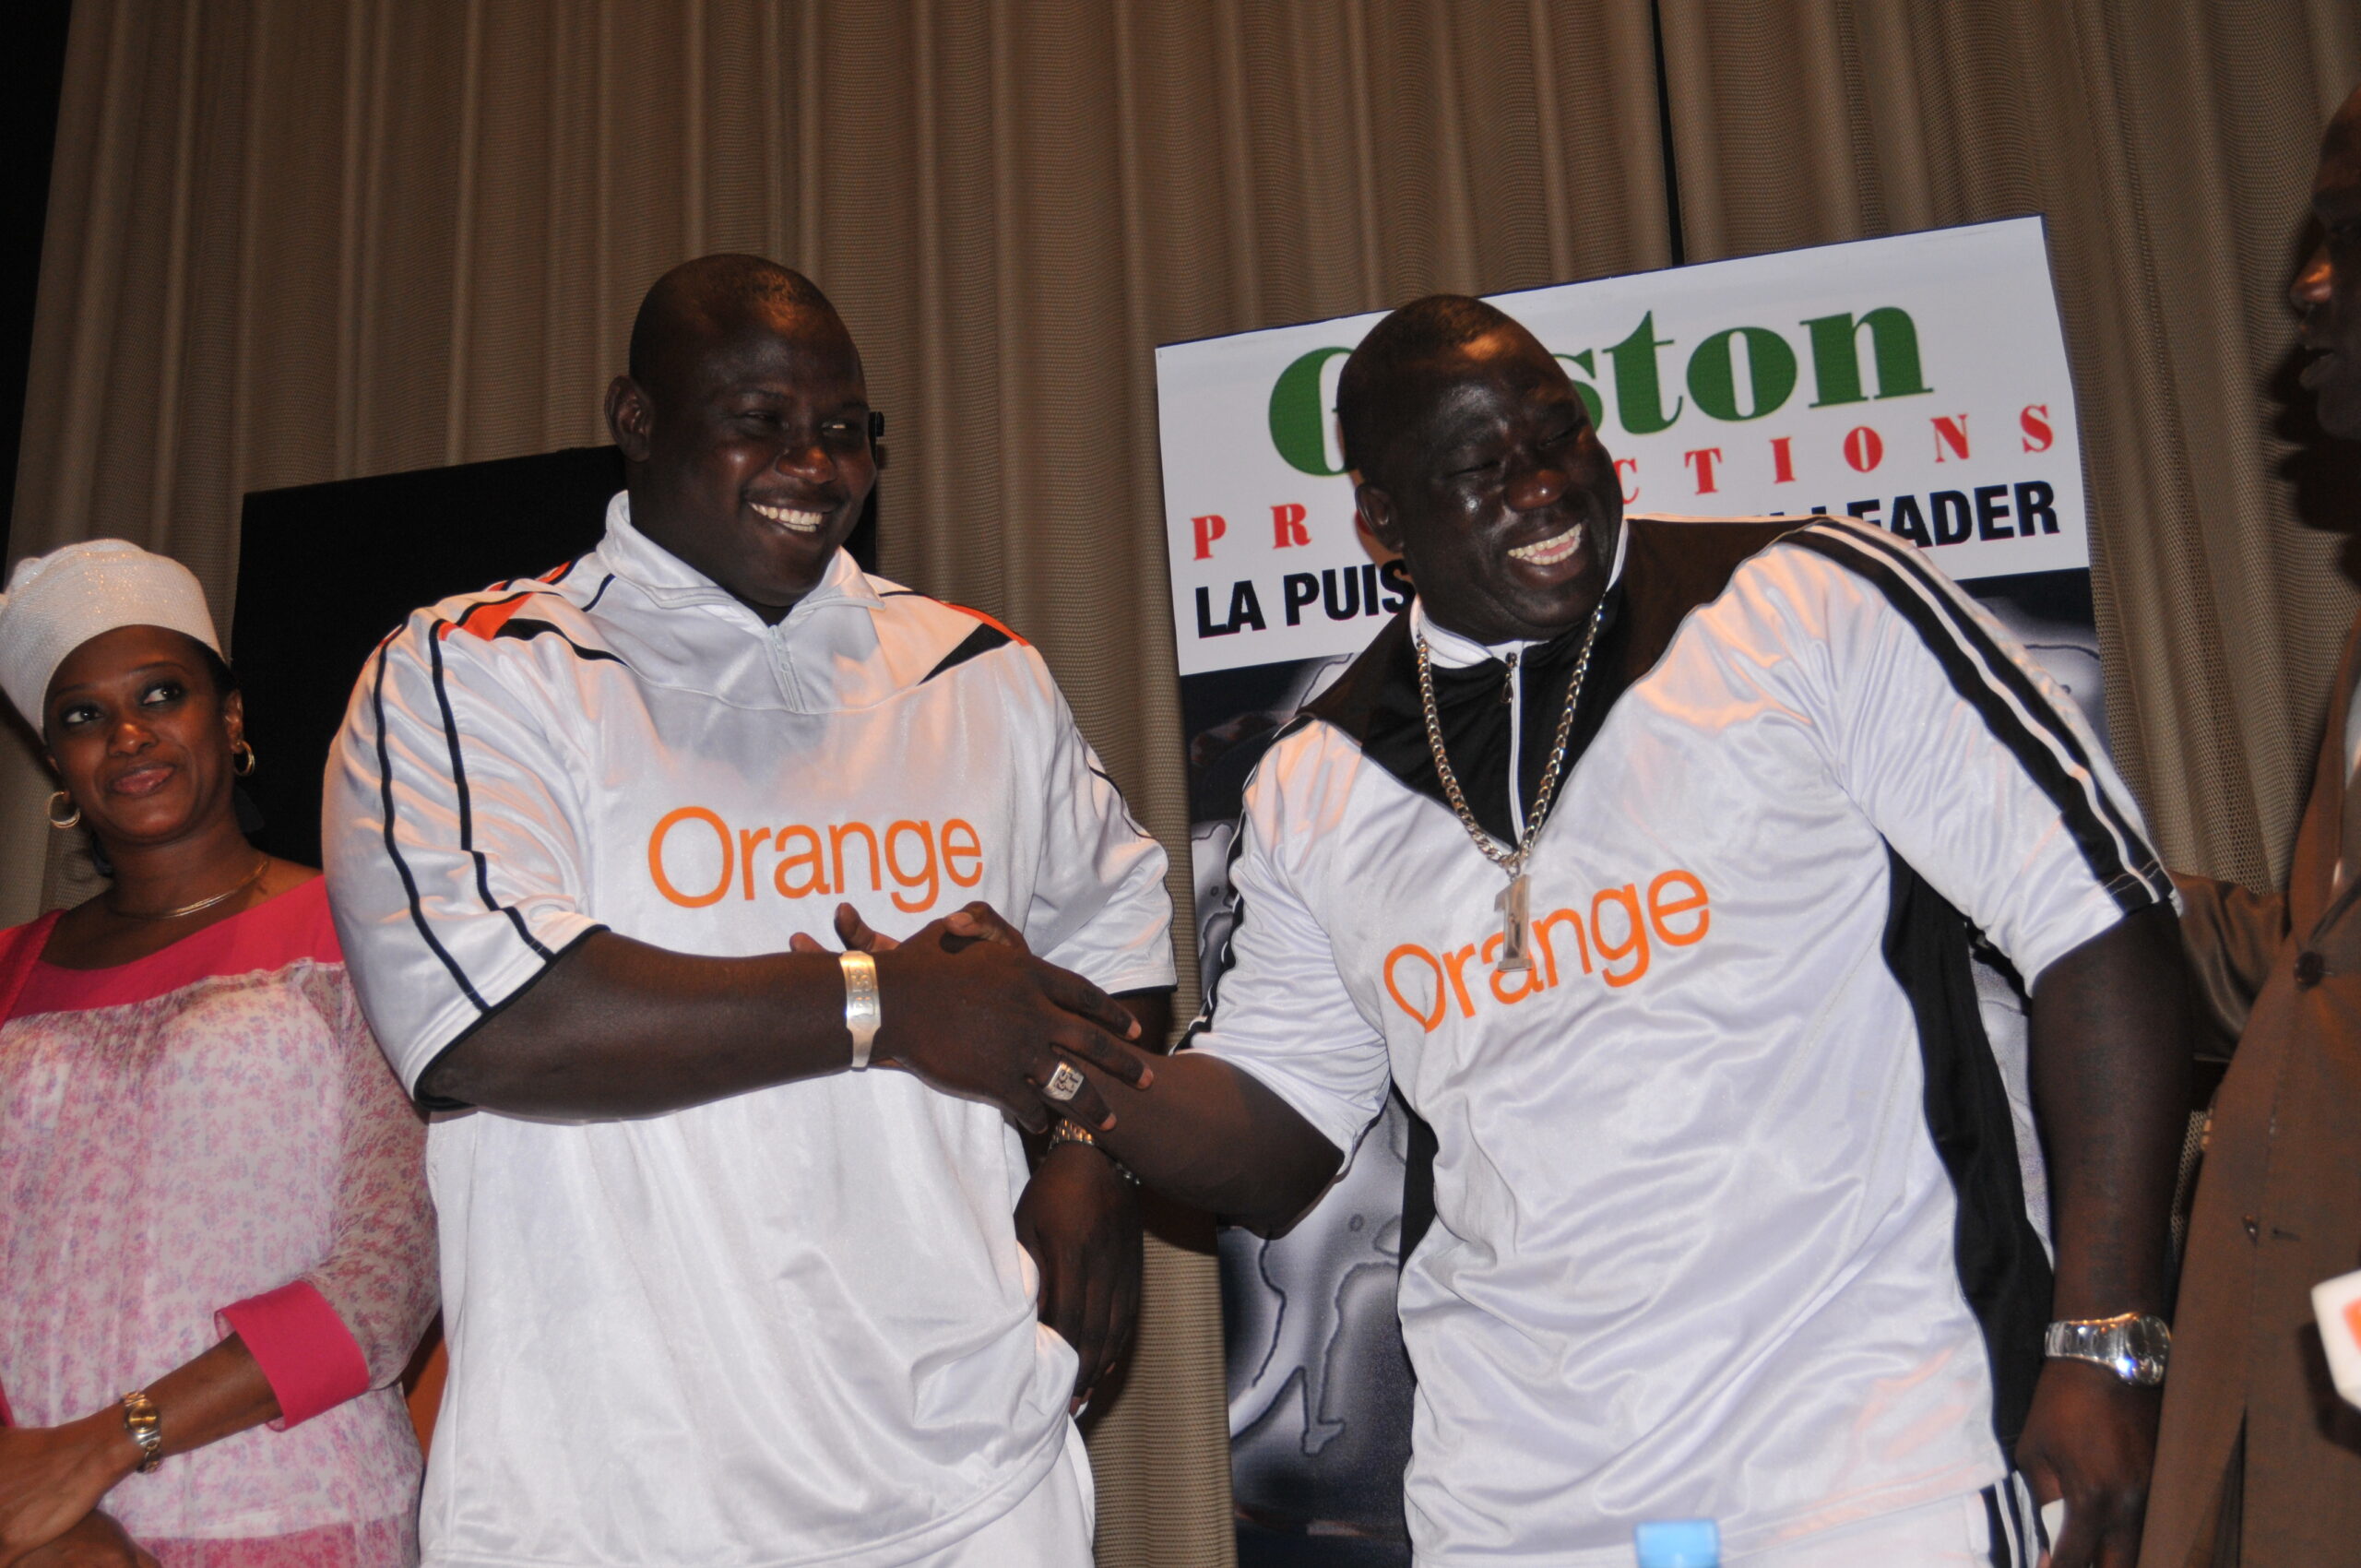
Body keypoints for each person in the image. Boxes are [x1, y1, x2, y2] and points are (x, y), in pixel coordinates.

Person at [1057, 296, 2194, 1567]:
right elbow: (1276, 1136)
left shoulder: (1800, 601)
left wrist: (2107, 1340)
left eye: (1560, 436)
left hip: (1875, 1473)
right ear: (1382, 522)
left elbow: (2098, 921)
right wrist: (1047, 1058)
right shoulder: (1317, 780)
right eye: (1481, 468)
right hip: (1524, 1519)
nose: (1544, 487)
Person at [320, 255, 1173, 1567]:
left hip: (974, 1474)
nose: (814, 465)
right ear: (638, 418)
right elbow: (499, 1025)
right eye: (760, 421)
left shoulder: (974, 672)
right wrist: (885, 1006)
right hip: (613, 1491)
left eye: (845, 429)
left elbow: (1118, 933)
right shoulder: (478, 671)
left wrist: (1090, 1152)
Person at [0, 540, 436, 1568]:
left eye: (162, 693)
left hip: (295, 1516)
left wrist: (101, 1449)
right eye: (84, 715)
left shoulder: (364, 931)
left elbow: (391, 1272)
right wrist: (38, 1492)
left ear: (230, 718)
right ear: (56, 761)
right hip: (39, 1531)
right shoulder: (10, 971)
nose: (129, 734)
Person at [2139, 82, 2361, 1568]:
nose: (2306, 287)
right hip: (2294, 1404)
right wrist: (2029, 867)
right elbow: (2306, 964)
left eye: (2347, 235)